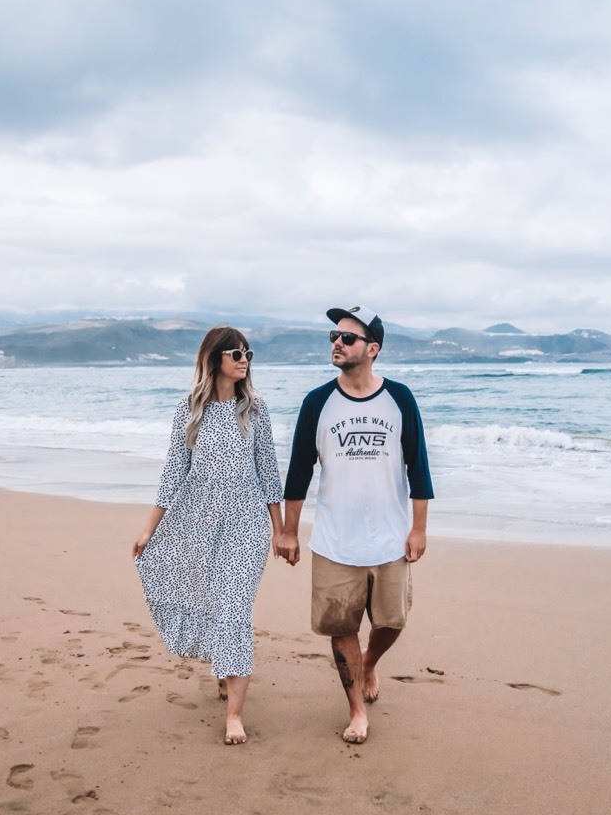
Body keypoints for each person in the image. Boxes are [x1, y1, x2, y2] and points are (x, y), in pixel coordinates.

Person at [275, 306, 434, 744]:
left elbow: (418, 468)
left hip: (390, 537)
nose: (337, 344)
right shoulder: (316, 403)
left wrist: (418, 529)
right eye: (333, 337)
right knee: (340, 627)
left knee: (393, 621)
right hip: (334, 540)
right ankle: (356, 710)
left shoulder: (400, 398)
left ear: (373, 349)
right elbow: (297, 474)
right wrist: (289, 531)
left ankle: (370, 661)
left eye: (347, 338)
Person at [133, 326, 284, 745]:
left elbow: (269, 471)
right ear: (214, 357)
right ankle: (225, 668)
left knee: (234, 607)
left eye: (248, 353)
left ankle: (234, 715)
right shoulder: (189, 410)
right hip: (197, 519)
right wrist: (150, 529)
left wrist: (281, 530)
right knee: (211, 600)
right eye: (236, 353)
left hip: (246, 523)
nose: (244, 360)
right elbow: (173, 471)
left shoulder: (255, 410)